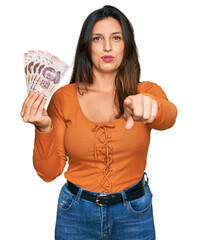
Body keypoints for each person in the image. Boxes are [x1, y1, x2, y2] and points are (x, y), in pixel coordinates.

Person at [20, 5, 177, 240]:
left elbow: (170, 116)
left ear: (127, 45)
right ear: (87, 46)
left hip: (135, 213)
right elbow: (48, 172)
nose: (107, 47)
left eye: (116, 38)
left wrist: (151, 107)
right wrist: (43, 128)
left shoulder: (146, 91)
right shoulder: (64, 98)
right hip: (75, 214)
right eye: (97, 38)